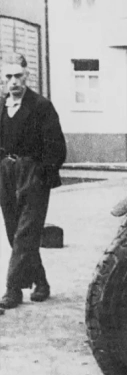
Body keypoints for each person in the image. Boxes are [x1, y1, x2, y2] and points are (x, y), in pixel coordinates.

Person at [0, 53, 67, 309]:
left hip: (33, 175)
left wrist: (42, 175)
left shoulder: (41, 106)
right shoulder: (1, 106)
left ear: (27, 76)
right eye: (8, 76)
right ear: (2, 78)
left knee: (25, 233)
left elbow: (57, 147)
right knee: (14, 232)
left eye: (18, 76)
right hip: (6, 174)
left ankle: (12, 289)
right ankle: (41, 281)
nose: (13, 81)